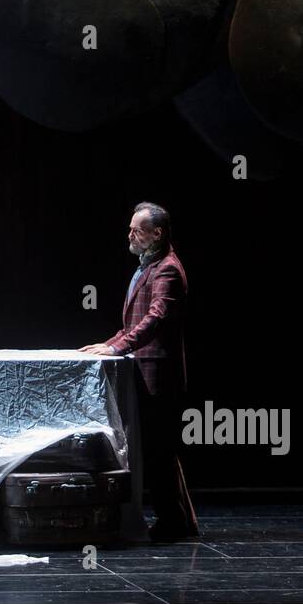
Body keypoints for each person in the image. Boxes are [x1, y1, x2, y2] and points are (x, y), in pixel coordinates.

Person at [80, 201, 199, 542]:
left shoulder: (167, 270)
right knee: (161, 451)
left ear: (157, 234)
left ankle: (172, 523)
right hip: (145, 372)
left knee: (159, 452)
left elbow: (156, 317)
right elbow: (133, 323)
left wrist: (119, 347)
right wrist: (107, 343)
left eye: (137, 229)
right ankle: (180, 520)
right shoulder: (148, 267)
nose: (130, 233)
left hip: (158, 376)